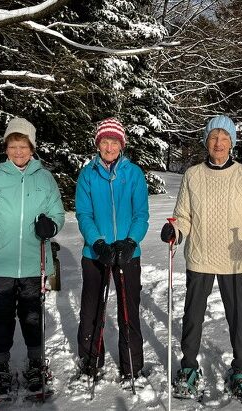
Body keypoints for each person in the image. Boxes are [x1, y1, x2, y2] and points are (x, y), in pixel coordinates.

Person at [160, 114, 242, 402]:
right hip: (200, 256)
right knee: (193, 317)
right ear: (206, 142)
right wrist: (175, 230)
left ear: (231, 142)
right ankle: (188, 368)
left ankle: (241, 371)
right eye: (213, 137)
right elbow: (184, 216)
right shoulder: (193, 175)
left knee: (239, 318)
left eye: (224, 138)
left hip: (234, 258)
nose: (218, 143)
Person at [0, 117, 65, 397]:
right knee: (1, 315)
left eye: (23, 146)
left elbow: (58, 214)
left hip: (34, 262)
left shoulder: (45, 178)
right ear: (6, 147)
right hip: (1, 261)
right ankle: (1, 367)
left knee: (32, 315)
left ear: (32, 148)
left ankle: (35, 362)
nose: (18, 152)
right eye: (13, 146)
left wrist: (52, 226)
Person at [75, 117, 149, 383]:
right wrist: (97, 242)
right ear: (98, 144)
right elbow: (83, 214)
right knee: (91, 310)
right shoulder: (88, 174)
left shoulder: (133, 174)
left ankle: (132, 365)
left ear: (122, 144)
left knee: (129, 309)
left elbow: (141, 214)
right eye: (104, 141)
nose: (109, 147)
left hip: (128, 253)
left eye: (114, 142)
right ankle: (91, 361)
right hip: (96, 253)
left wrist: (130, 242)